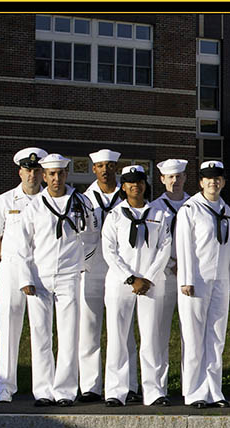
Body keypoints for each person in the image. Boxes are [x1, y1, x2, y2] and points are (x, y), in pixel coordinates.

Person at [18, 153, 100, 406]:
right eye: (51, 174)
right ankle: (43, 391)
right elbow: (23, 246)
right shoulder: (33, 207)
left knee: (68, 334)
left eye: (60, 173)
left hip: (68, 276)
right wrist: (25, 277)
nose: (56, 178)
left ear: (66, 174)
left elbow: (92, 234)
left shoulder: (81, 201)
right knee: (41, 334)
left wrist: (81, 264)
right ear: (44, 176)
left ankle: (65, 391)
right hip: (40, 277)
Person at [101, 165, 172, 407]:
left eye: (139, 181)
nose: (135, 186)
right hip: (121, 283)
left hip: (151, 284)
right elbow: (109, 251)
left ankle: (154, 391)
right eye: (130, 182)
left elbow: (165, 248)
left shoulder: (159, 215)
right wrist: (131, 278)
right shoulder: (115, 216)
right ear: (123, 186)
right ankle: (116, 390)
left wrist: (149, 277)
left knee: (151, 337)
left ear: (145, 185)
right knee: (118, 337)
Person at [0, 147, 47, 403]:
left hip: (41, 271)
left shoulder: (49, 202)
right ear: (20, 171)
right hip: (11, 272)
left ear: (43, 173)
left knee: (41, 330)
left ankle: (42, 389)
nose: (32, 174)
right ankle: (5, 388)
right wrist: (14, 264)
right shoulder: (5, 200)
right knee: (9, 329)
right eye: (27, 169)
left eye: (36, 170)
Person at [78, 149, 140, 404]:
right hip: (93, 267)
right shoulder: (82, 199)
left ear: (117, 168)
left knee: (124, 329)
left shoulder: (126, 197)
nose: (105, 170)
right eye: (101, 166)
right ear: (94, 169)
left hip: (122, 269)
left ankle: (129, 385)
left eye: (110, 166)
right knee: (89, 327)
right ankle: (90, 386)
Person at [175, 160, 230, 408]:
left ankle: (214, 390)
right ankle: (195, 392)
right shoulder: (190, 209)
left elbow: (229, 249)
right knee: (194, 337)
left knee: (216, 337)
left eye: (218, 178)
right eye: (208, 178)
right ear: (200, 182)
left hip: (220, 279)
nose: (214, 182)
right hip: (196, 281)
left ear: (223, 182)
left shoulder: (227, 210)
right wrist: (187, 279)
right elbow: (184, 246)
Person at [149, 159, 190, 394]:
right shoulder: (154, 208)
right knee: (159, 332)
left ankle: (190, 386)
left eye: (179, 176)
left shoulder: (195, 205)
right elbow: (152, 245)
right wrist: (170, 263)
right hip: (163, 275)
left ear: (185, 178)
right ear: (162, 179)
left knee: (190, 333)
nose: (175, 181)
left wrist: (184, 265)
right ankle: (157, 388)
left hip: (189, 276)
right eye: (170, 177)